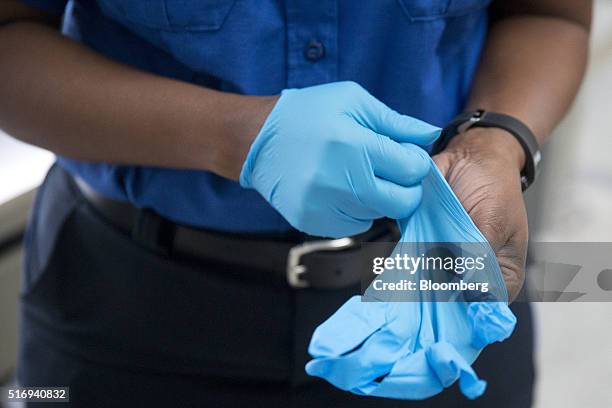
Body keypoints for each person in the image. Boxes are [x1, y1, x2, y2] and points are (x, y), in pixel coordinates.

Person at [0, 0, 590, 406]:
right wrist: (237, 136)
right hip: (123, 307)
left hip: (433, 288)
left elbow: (550, 14)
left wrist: (494, 141)